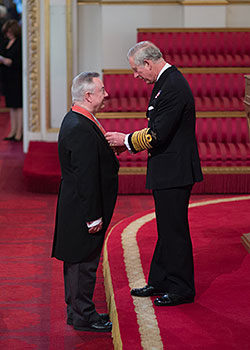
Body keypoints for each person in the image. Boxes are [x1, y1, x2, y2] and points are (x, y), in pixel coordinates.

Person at [105, 41, 203, 306]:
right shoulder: (165, 82)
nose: (135, 76)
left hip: (175, 172)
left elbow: (158, 133)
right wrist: (128, 144)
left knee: (174, 230)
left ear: (148, 63)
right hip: (168, 169)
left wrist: (126, 141)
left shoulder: (172, 86)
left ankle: (182, 288)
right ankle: (160, 280)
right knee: (167, 228)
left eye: (136, 70)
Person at [51, 72, 119, 332]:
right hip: (82, 209)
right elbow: (85, 178)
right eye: (102, 90)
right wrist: (93, 216)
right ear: (88, 95)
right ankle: (82, 316)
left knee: (80, 262)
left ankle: (78, 311)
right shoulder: (80, 126)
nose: (106, 94)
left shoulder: (79, 119)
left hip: (77, 206)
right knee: (83, 263)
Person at [0, 19, 22, 141]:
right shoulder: (5, 42)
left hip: (16, 76)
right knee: (11, 106)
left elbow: (19, 61)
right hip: (7, 77)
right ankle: (12, 131)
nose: (8, 34)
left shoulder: (19, 43)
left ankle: (19, 132)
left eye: (9, 32)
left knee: (18, 105)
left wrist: (10, 62)